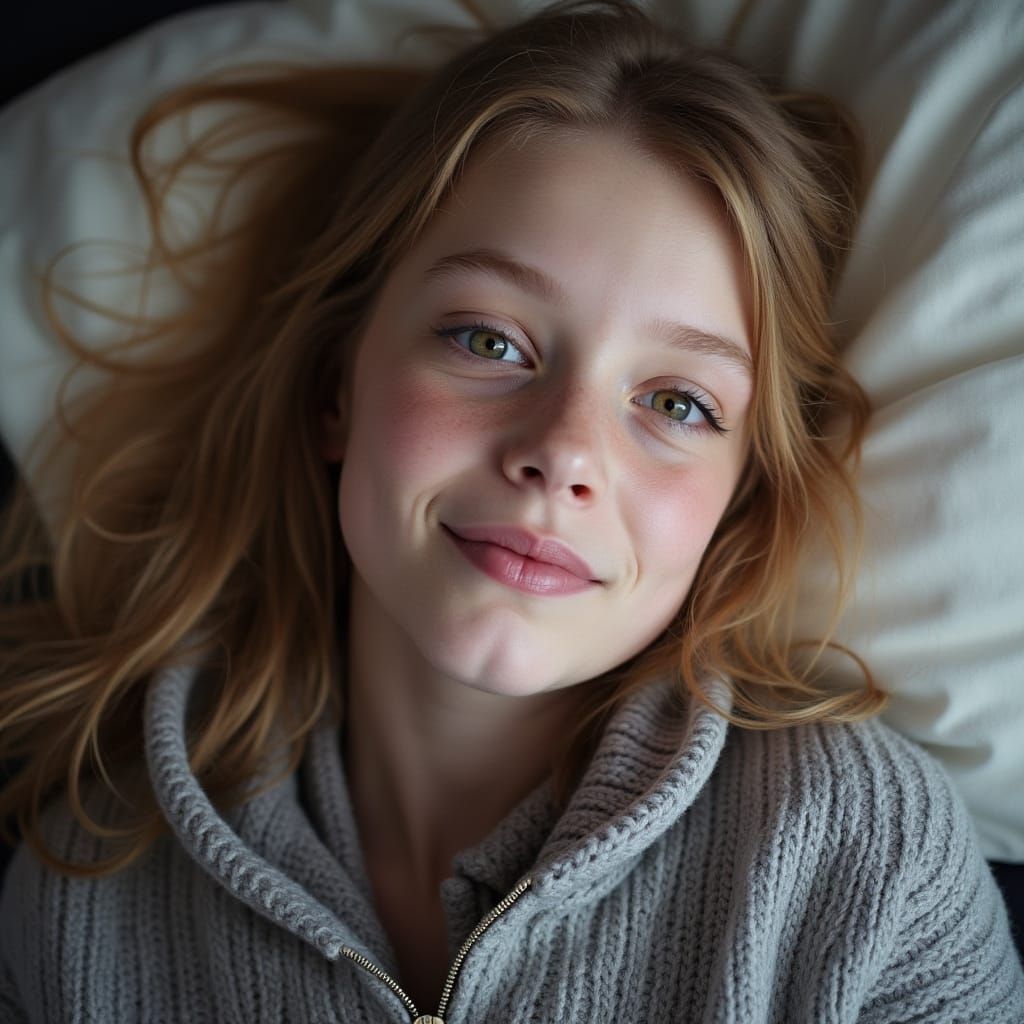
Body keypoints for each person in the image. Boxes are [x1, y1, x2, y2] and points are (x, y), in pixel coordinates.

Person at [0, 1, 1021, 1020]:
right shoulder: (82, 892)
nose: (564, 451)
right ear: (335, 388)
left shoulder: (865, 862)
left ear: (739, 493)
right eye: (488, 340)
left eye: (676, 403)